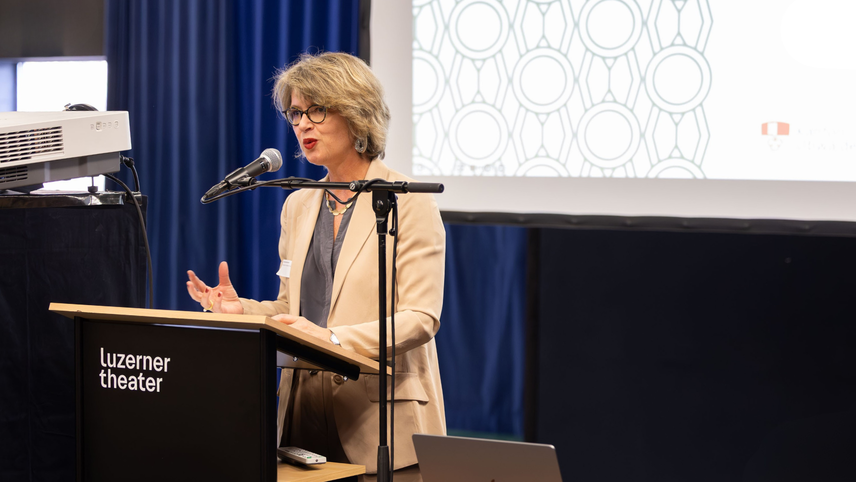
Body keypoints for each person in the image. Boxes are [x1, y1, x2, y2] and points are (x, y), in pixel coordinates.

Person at [185, 51, 446, 479]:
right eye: (295, 113)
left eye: (317, 110)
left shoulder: (408, 201)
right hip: (303, 417)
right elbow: (292, 310)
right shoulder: (298, 204)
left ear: (356, 112)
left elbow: (420, 319)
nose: (302, 124)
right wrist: (241, 309)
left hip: (381, 421)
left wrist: (333, 339)